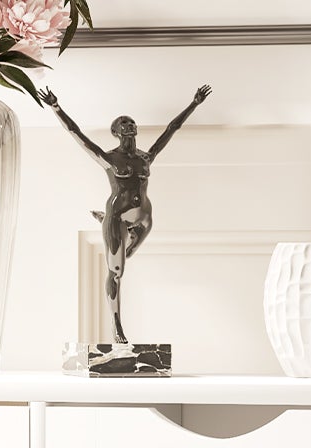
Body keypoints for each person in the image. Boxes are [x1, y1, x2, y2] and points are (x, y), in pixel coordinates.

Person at [42, 85, 213, 344]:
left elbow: (171, 129)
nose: (129, 125)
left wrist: (194, 103)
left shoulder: (146, 158)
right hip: (118, 215)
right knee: (117, 271)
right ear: (116, 132)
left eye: (131, 122)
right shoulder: (109, 159)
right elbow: (76, 134)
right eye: (124, 123)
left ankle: (120, 237)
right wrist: (56, 107)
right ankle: (116, 326)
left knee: (131, 248)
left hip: (143, 217)